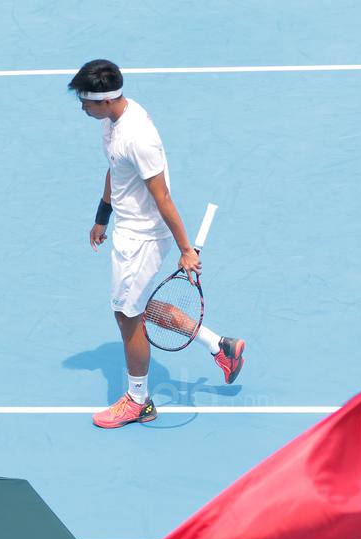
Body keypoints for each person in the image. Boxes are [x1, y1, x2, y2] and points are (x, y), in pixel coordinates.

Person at [70, 59, 245, 429]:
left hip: (142, 239)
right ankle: (222, 346)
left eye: (85, 102)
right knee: (142, 306)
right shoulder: (114, 120)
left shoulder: (137, 137)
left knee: (126, 316)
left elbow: (162, 196)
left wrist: (185, 248)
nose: (82, 108)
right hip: (129, 229)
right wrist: (103, 216)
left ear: (103, 101)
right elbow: (115, 169)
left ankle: (138, 401)